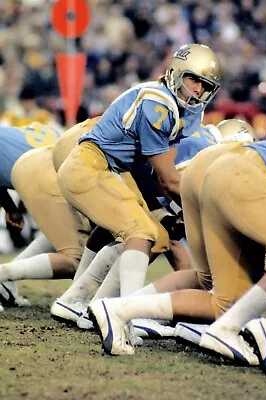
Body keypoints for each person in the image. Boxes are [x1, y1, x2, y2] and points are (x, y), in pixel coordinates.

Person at [87, 132, 266, 357]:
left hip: (211, 165)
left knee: (211, 284)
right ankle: (232, 328)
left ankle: (121, 309)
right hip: (237, 172)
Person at [56, 43, 222, 302]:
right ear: (176, 72)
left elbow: (157, 176)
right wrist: (202, 212)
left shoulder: (175, 110)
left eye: (206, 86)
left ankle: (78, 301)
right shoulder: (158, 104)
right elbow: (169, 179)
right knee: (142, 233)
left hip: (104, 170)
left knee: (151, 234)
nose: (199, 90)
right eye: (194, 80)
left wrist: (174, 211)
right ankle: (122, 312)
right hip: (89, 166)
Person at [0, 121, 62, 309]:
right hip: (49, 170)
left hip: (44, 171)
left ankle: (6, 279)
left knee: (63, 236)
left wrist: (11, 208)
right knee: (73, 244)